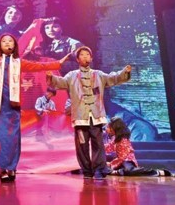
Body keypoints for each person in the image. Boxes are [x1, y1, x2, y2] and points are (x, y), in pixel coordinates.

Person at [0, 31, 69, 182]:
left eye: (10, 41)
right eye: (4, 41)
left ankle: (12, 168)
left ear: (15, 45)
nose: (7, 43)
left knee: (12, 138)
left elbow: (39, 66)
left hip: (13, 107)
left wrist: (58, 63)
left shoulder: (19, 63)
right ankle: (2, 169)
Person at [46, 46, 132, 180]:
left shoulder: (98, 74)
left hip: (95, 116)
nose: (85, 57)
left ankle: (99, 169)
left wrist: (124, 72)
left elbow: (113, 78)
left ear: (91, 58)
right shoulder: (72, 75)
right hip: (80, 117)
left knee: (98, 144)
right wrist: (51, 77)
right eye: (82, 55)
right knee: (82, 145)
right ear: (77, 59)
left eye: (87, 54)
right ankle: (87, 170)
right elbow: (61, 82)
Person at [105, 117, 175, 177]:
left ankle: (158, 172)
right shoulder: (114, 139)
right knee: (105, 168)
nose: (106, 129)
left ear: (114, 128)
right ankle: (117, 171)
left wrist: (111, 164)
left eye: (108, 127)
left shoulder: (123, 140)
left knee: (129, 170)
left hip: (127, 161)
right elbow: (107, 148)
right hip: (119, 163)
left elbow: (123, 157)